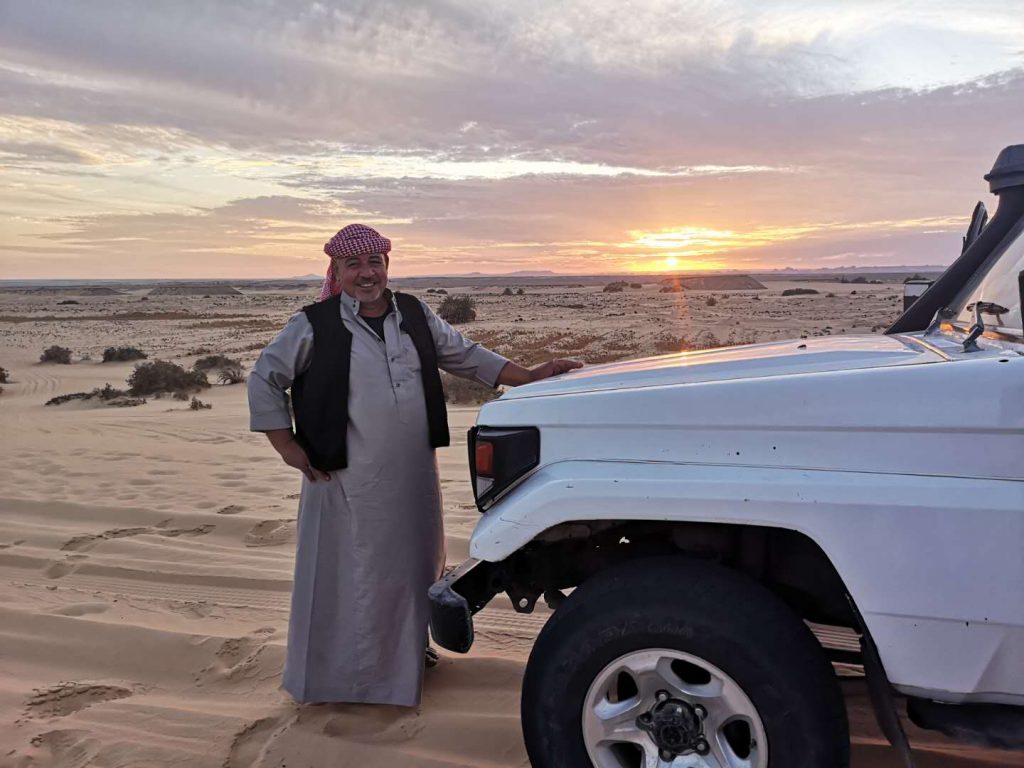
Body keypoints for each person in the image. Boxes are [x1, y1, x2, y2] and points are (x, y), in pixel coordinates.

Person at [247, 224, 581, 707]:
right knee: (352, 572)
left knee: (412, 565)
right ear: (336, 272)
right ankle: (346, 679)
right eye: (354, 265)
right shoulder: (314, 324)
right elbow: (265, 378)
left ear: (387, 265)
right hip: (344, 478)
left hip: (411, 475)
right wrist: (284, 443)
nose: (367, 274)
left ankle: (404, 659)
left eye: (375, 263)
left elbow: (465, 355)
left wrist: (526, 376)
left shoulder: (414, 315)